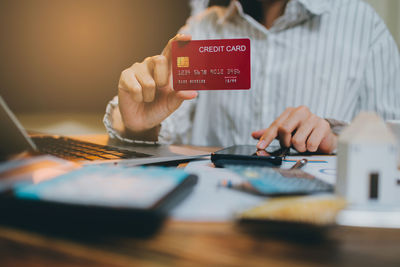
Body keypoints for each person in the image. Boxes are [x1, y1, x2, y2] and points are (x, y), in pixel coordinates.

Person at [104, 0, 400, 153]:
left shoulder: (364, 26)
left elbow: (394, 145)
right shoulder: (202, 27)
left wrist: (336, 141)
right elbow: (166, 126)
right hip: (213, 227)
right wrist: (139, 126)